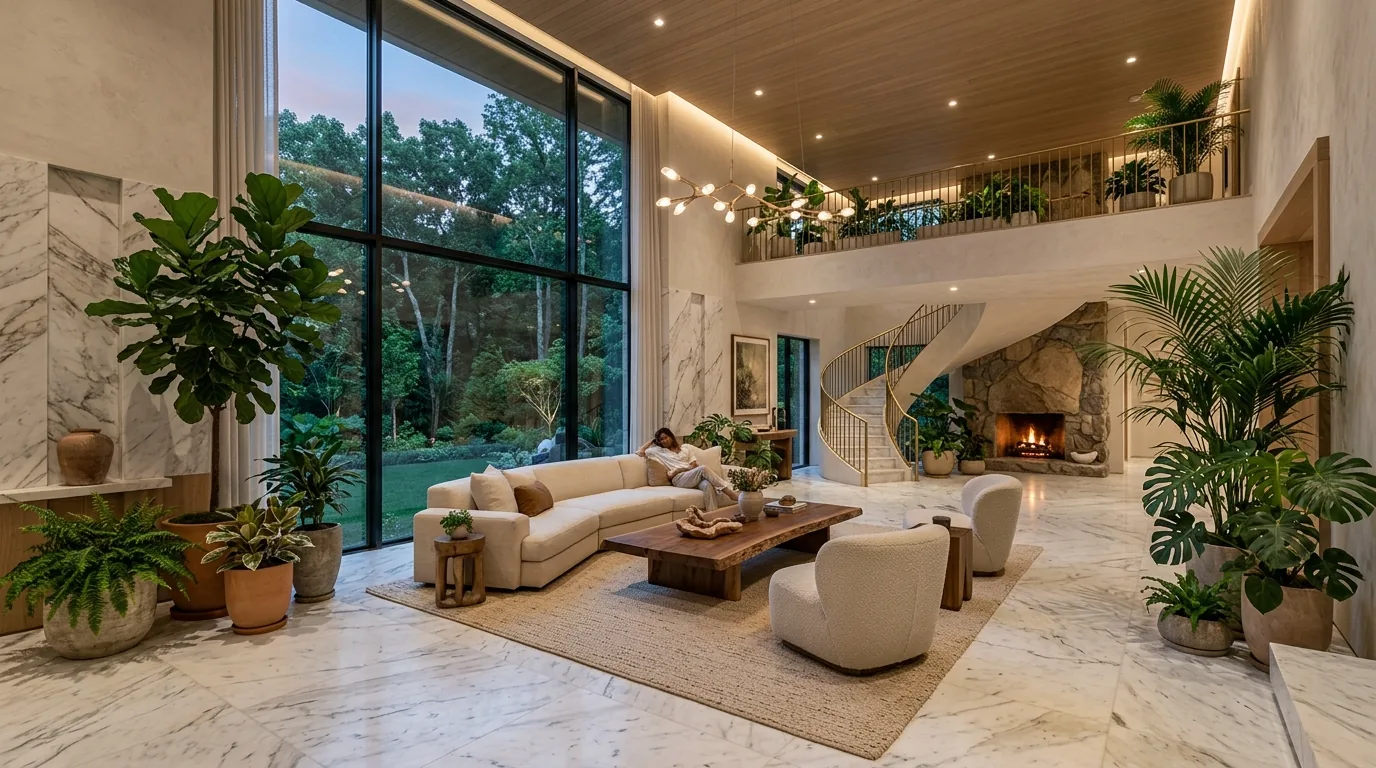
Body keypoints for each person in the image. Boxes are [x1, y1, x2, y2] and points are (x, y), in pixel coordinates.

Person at [637, 427, 738, 510]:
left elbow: (694, 465)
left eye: (665, 437)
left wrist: (680, 469)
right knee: (703, 468)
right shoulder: (659, 451)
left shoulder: (685, 449)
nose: (663, 441)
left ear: (671, 437)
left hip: (690, 475)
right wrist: (652, 441)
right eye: (661, 439)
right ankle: (730, 492)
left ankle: (713, 516)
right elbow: (640, 452)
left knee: (707, 485)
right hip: (678, 479)